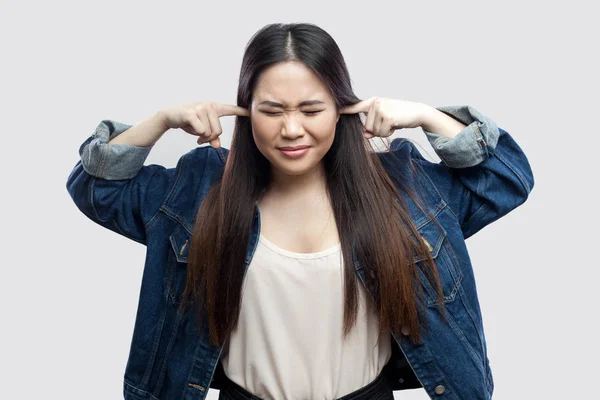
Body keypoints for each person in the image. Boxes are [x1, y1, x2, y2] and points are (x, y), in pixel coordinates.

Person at [66, 22, 534, 400]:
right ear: (245, 112)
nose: (292, 129)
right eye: (272, 110)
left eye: (311, 109)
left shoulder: (403, 188)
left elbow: (506, 180)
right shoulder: (198, 189)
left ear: (342, 109)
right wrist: (161, 120)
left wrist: (428, 116)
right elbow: (94, 188)